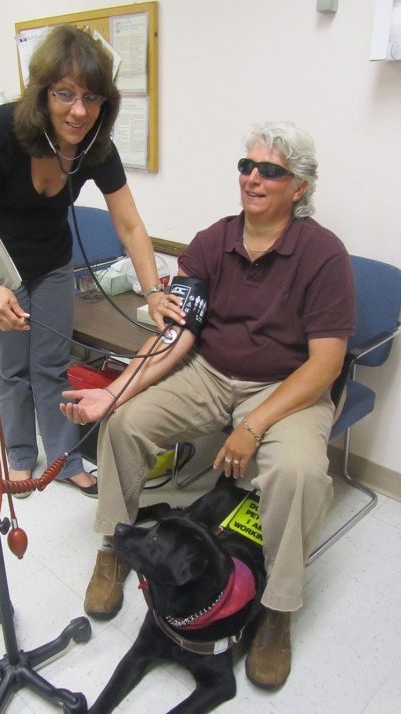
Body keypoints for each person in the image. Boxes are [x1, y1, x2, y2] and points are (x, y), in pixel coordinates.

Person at [60, 121, 356, 688]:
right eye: (247, 166)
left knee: (295, 471)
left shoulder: (323, 255)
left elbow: (325, 365)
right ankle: (114, 543)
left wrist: (254, 427)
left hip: (288, 387)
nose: (252, 178)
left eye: (270, 170)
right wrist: (115, 389)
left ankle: (278, 608)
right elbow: (179, 333)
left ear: (299, 187)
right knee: (125, 422)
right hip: (210, 371)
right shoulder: (212, 241)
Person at [0, 25, 174, 498]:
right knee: (12, 368)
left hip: (54, 263)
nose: (79, 110)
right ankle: (18, 457)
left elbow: (131, 225)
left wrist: (154, 291)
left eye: (92, 98)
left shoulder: (96, 146)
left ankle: (64, 458)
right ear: (42, 93)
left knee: (51, 365)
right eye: (65, 94)